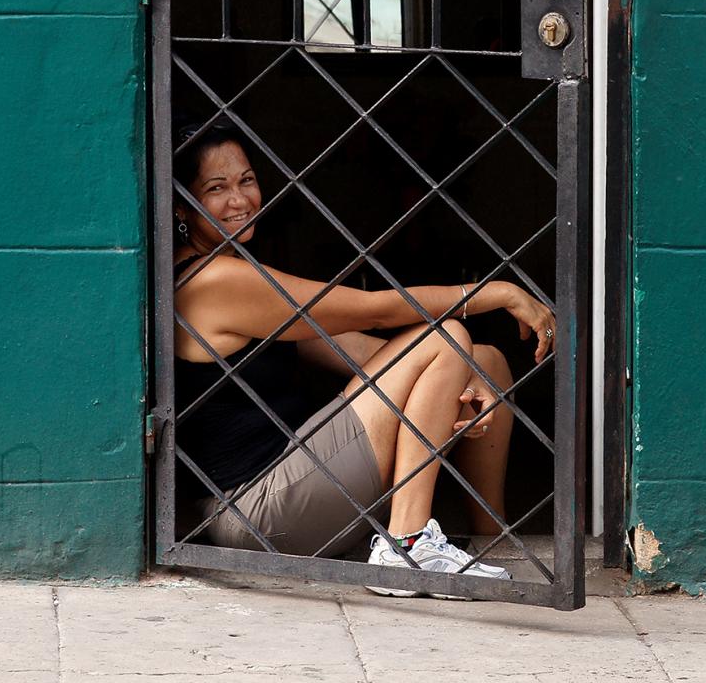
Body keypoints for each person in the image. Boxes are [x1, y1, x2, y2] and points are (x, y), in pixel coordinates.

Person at [170, 120, 554, 595]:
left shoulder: (237, 274)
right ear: (184, 205)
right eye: (217, 188)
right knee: (447, 337)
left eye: (247, 180)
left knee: (485, 360)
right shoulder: (214, 280)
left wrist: (465, 381)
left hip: (293, 487)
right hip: (258, 508)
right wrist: (495, 292)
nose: (240, 200)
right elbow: (374, 313)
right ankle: (406, 544)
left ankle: (490, 540)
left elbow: (365, 352)